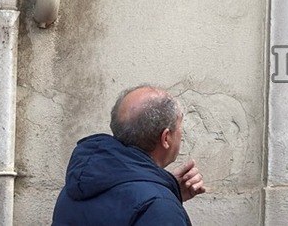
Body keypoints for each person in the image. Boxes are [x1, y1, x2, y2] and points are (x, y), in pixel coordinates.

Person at [53, 85, 206, 225]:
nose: (181, 134)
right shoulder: (158, 207)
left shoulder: (77, 187)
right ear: (165, 138)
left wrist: (167, 189)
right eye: (179, 127)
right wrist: (161, 200)